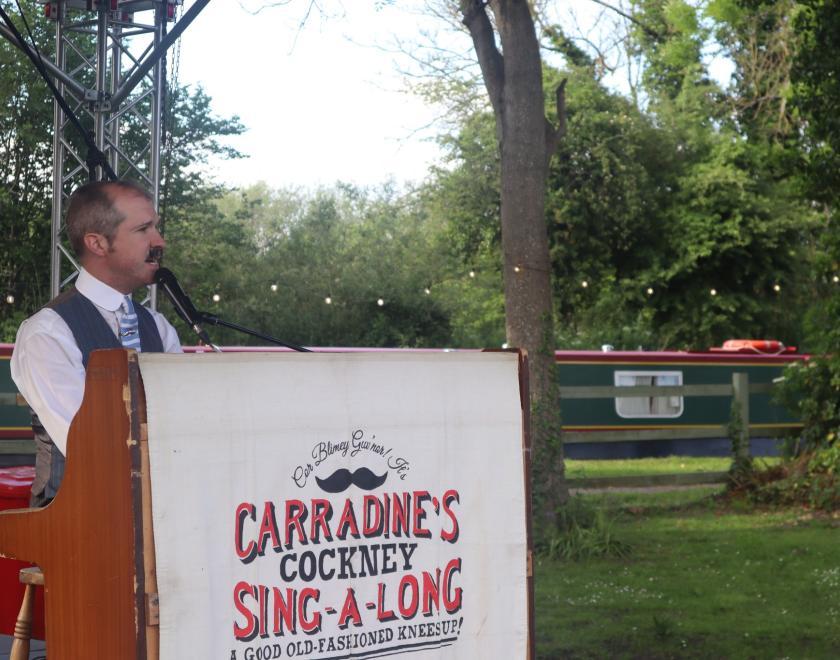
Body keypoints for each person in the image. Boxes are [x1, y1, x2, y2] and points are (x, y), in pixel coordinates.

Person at [11, 180, 182, 506]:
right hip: (75, 530)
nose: (159, 241)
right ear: (97, 243)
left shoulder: (159, 327)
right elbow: (92, 448)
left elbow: (185, 421)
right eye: (144, 229)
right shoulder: (47, 333)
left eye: (155, 227)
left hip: (160, 524)